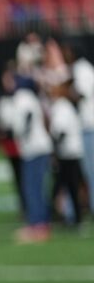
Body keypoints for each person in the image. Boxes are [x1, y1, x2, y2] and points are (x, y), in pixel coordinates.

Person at [10, 75, 54, 242]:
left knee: (32, 187)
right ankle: (41, 223)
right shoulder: (32, 97)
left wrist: (23, 135)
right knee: (36, 186)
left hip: (33, 148)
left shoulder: (23, 97)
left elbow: (26, 118)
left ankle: (38, 225)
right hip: (38, 146)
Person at [48, 80, 86, 226]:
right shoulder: (65, 106)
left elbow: (60, 132)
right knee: (70, 186)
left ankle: (72, 217)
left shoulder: (61, 107)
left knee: (67, 186)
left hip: (68, 153)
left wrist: (55, 153)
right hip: (71, 151)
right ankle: (72, 217)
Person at [63, 43, 94, 214]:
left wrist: (64, 92)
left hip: (90, 126)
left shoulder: (82, 69)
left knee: (91, 171)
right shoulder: (81, 68)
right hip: (87, 126)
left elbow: (81, 93)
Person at [0, 62, 27, 220]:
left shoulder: (24, 97)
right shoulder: (3, 99)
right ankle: (24, 204)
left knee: (29, 174)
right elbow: (1, 123)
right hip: (11, 142)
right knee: (18, 174)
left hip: (25, 141)